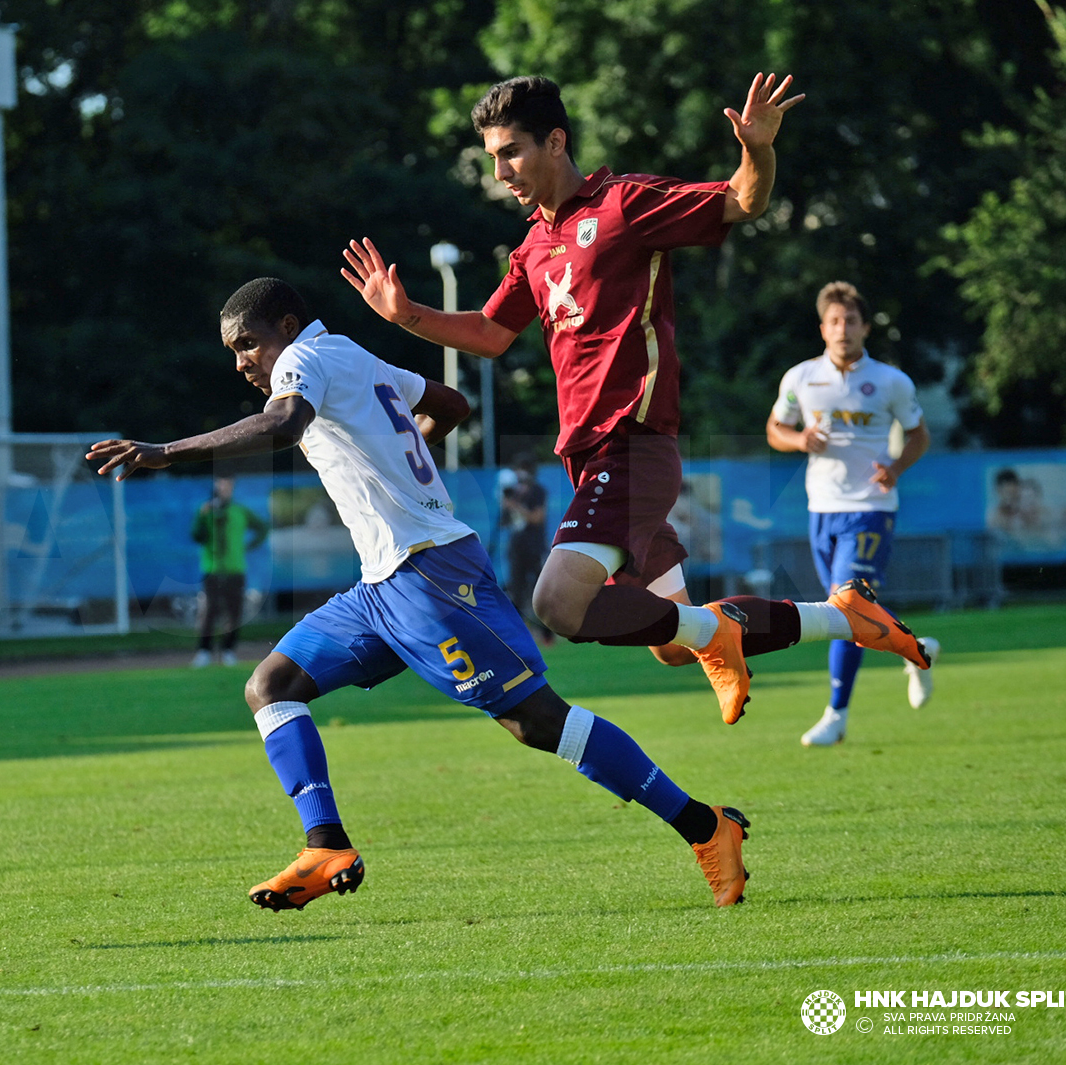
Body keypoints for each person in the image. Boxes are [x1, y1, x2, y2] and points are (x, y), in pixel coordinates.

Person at [89, 277, 755, 911]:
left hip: (434, 575)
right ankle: (325, 846)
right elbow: (451, 405)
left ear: (286, 329)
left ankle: (704, 825)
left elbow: (284, 423)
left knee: (537, 721)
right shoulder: (349, 355)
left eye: (247, 344)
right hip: (383, 583)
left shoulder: (303, 363)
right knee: (272, 685)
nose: (242, 363)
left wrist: (165, 450)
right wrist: (405, 456)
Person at [342, 74, 929, 724]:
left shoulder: (624, 203)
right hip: (591, 464)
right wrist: (406, 315)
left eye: (510, 151)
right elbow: (488, 333)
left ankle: (732, 635)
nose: (500, 170)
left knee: (558, 604)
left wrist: (757, 149)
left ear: (556, 140)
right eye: (492, 158)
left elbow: (742, 200)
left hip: (633, 448)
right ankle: (841, 616)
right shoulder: (533, 246)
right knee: (673, 646)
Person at [767, 282, 939, 745]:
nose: (843, 329)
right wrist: (800, 440)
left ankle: (836, 714)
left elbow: (919, 434)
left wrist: (897, 468)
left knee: (845, 608)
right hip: (821, 507)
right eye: (835, 321)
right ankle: (916, 651)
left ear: (865, 327)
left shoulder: (890, 381)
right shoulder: (801, 378)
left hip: (870, 508)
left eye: (852, 321)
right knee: (845, 608)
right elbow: (775, 429)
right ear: (823, 329)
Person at [190, 476, 269, 668]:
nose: (225, 489)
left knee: (234, 613)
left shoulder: (239, 511)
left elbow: (262, 528)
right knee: (209, 611)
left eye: (228, 486)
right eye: (221, 485)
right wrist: (202, 517)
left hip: (236, 569)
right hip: (212, 570)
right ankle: (204, 652)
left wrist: (248, 546)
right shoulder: (206, 511)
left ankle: (228, 650)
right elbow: (196, 536)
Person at [500, 452, 552, 645]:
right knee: (516, 592)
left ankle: (547, 635)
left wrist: (516, 506)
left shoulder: (538, 491)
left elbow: (537, 518)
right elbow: (503, 523)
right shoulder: (511, 491)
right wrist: (506, 505)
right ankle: (520, 636)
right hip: (516, 548)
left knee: (541, 592)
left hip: (535, 547)